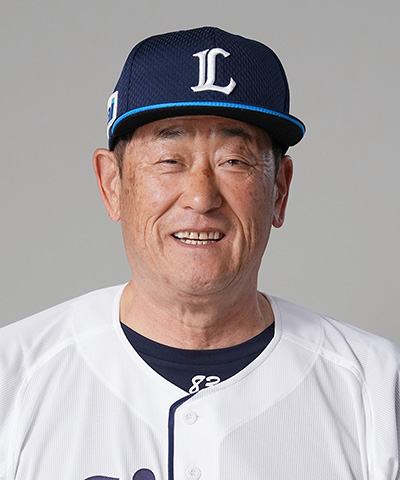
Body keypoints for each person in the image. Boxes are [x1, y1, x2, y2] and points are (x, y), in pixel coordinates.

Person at [0, 26, 399, 480]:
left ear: (280, 190)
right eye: (170, 160)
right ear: (112, 184)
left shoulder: (376, 388)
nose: (201, 197)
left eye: (234, 161)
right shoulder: (13, 376)